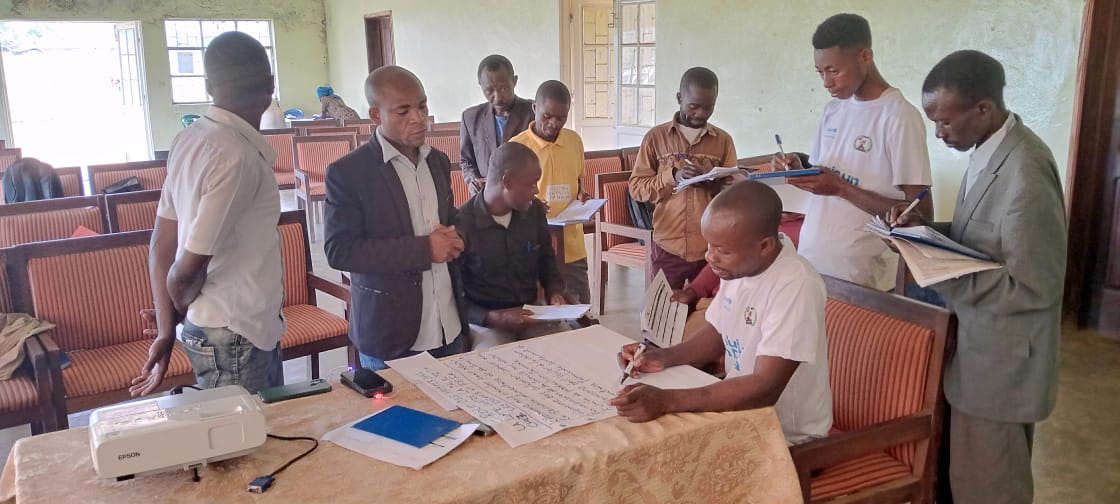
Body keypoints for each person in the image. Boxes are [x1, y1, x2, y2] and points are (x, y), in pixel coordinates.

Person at [887, 50, 1066, 504]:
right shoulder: (989, 151)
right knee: (968, 479)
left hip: (1002, 364)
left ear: (983, 109)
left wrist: (935, 269)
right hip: (978, 350)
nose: (938, 132)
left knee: (991, 487)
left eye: (945, 122)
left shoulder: (1025, 169)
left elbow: (1033, 284)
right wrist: (921, 236)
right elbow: (982, 238)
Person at [611, 181, 832, 445]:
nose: (710, 257)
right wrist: (663, 357)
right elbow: (718, 330)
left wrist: (667, 400)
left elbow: (765, 387)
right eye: (709, 246)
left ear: (765, 246)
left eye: (721, 250)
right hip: (742, 415)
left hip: (785, 438)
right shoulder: (741, 264)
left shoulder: (795, 285)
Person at [131, 31, 283, 396]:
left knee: (259, 438)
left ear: (209, 86)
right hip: (233, 334)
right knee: (244, 448)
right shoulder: (236, 157)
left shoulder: (192, 138)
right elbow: (183, 271)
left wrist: (169, 328)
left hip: (235, 328)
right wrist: (181, 309)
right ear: (271, 84)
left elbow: (160, 245)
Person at [772, 13, 932, 291]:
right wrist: (799, 168)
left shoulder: (899, 116)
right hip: (813, 266)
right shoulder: (832, 110)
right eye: (820, 72)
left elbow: (921, 213)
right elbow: (828, 175)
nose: (826, 82)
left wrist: (841, 188)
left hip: (863, 279)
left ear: (865, 56)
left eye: (833, 70)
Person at [323, 66, 467, 370]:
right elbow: (340, 250)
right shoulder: (349, 173)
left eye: (422, 106)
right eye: (403, 111)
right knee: (399, 417)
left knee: (456, 417)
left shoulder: (438, 162)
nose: (418, 118)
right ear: (376, 115)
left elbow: (450, 219)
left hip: (449, 327)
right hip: (392, 335)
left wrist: (458, 236)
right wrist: (424, 249)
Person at [627, 67, 737, 288]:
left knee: (705, 315)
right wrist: (673, 176)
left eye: (709, 107)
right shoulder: (655, 138)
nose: (701, 114)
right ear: (679, 98)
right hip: (668, 245)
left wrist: (715, 185)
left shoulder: (723, 141)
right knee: (661, 316)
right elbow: (637, 188)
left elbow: (734, 193)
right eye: (693, 106)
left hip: (710, 247)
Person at [458, 142, 574, 349]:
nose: (536, 190)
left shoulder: (534, 212)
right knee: (495, 364)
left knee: (566, 349)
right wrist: (493, 317)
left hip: (532, 312)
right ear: (507, 181)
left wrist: (555, 292)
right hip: (487, 321)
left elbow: (547, 261)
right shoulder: (462, 223)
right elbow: (451, 295)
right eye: (532, 184)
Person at [510, 80, 591, 304]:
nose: (554, 123)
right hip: (533, 247)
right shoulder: (517, 147)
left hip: (572, 246)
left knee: (581, 313)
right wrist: (531, 205)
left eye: (561, 118)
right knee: (541, 318)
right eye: (547, 116)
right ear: (535, 109)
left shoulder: (574, 141)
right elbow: (507, 201)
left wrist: (583, 194)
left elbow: (578, 181)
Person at [460, 55, 534, 195]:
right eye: (489, 91)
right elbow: (466, 160)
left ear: (514, 81)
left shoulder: (533, 113)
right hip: (487, 197)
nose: (498, 96)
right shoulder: (470, 118)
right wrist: (472, 180)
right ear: (480, 86)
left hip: (525, 195)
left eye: (503, 88)